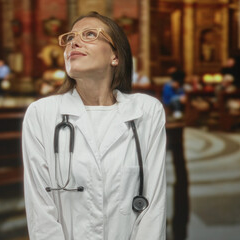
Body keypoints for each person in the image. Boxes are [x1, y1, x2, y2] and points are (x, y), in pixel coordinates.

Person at [22, 11, 166, 240]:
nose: (74, 42)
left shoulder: (146, 111)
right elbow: (40, 210)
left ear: (115, 56)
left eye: (89, 34)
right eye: (70, 38)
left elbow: (154, 204)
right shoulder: (42, 114)